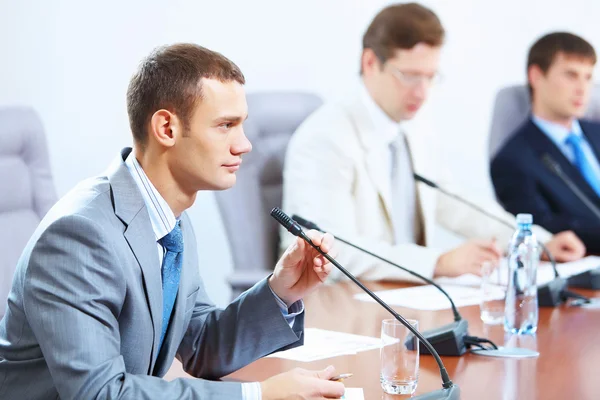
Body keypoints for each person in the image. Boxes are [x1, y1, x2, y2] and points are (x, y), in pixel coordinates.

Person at [0, 44, 345, 400]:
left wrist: (281, 290)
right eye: (225, 126)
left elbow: (201, 344)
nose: (244, 145)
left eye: (242, 126)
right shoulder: (81, 236)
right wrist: (259, 395)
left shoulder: (168, 220)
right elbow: (101, 394)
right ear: (166, 127)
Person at [281, 3, 585, 283]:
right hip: (342, 305)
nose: (422, 92)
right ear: (371, 62)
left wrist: (533, 240)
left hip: (403, 297)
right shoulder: (325, 137)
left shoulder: (413, 126)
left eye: (430, 77)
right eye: (410, 76)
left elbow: (452, 202)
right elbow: (330, 247)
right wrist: (439, 261)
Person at [491, 32, 600, 254]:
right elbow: (543, 229)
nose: (582, 88)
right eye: (571, 75)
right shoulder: (513, 160)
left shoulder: (596, 132)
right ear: (536, 76)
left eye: (588, 77)